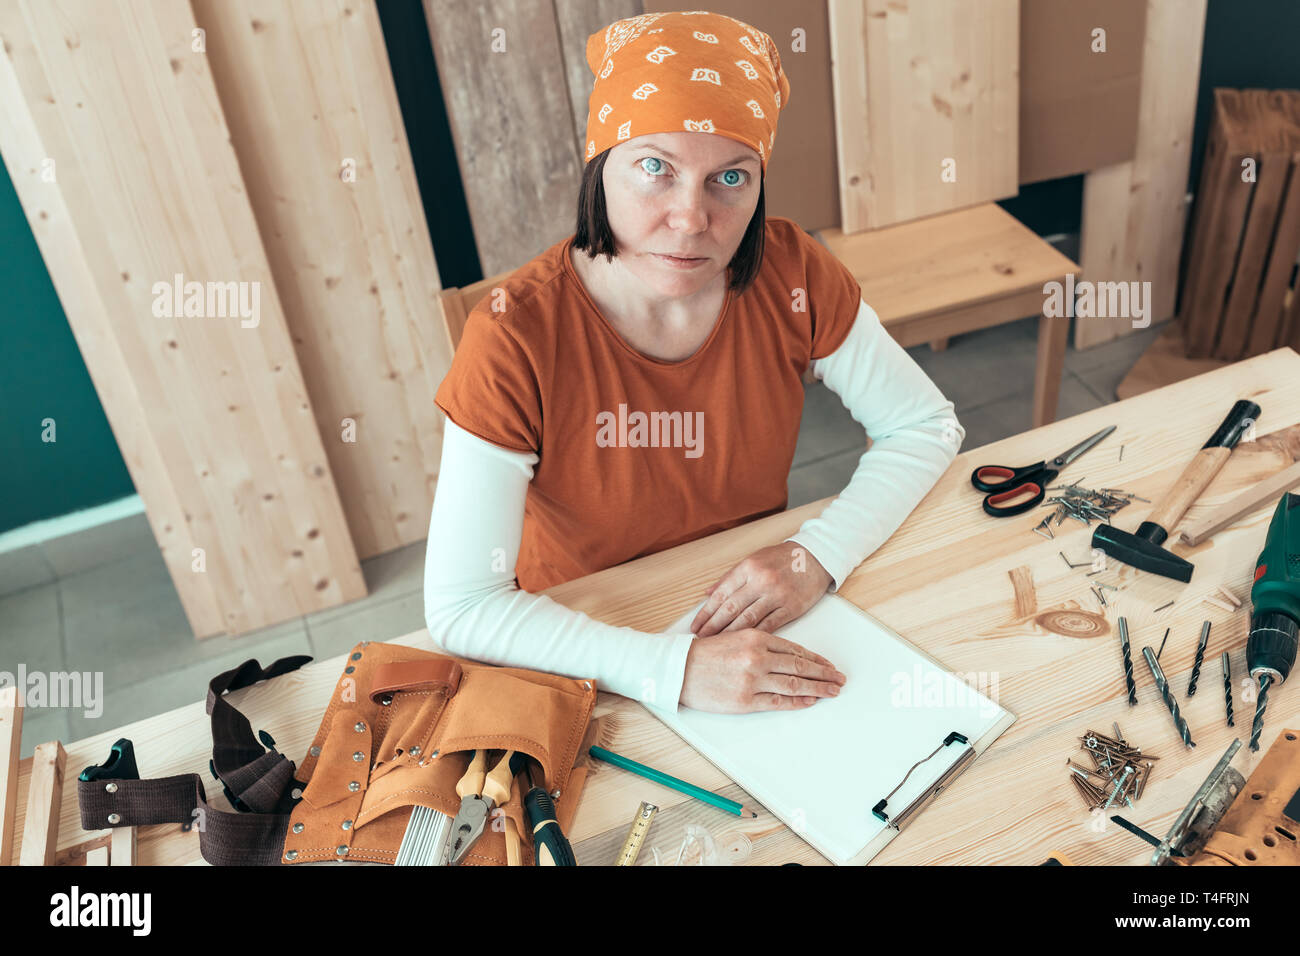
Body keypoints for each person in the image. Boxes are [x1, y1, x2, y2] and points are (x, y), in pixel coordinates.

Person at [424, 10, 964, 715]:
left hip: (746, 603)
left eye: (730, 178)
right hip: (582, 637)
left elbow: (924, 427)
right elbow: (464, 606)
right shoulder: (513, 335)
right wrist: (669, 667)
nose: (690, 219)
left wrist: (818, 554)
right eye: (655, 167)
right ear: (600, 165)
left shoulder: (792, 271)